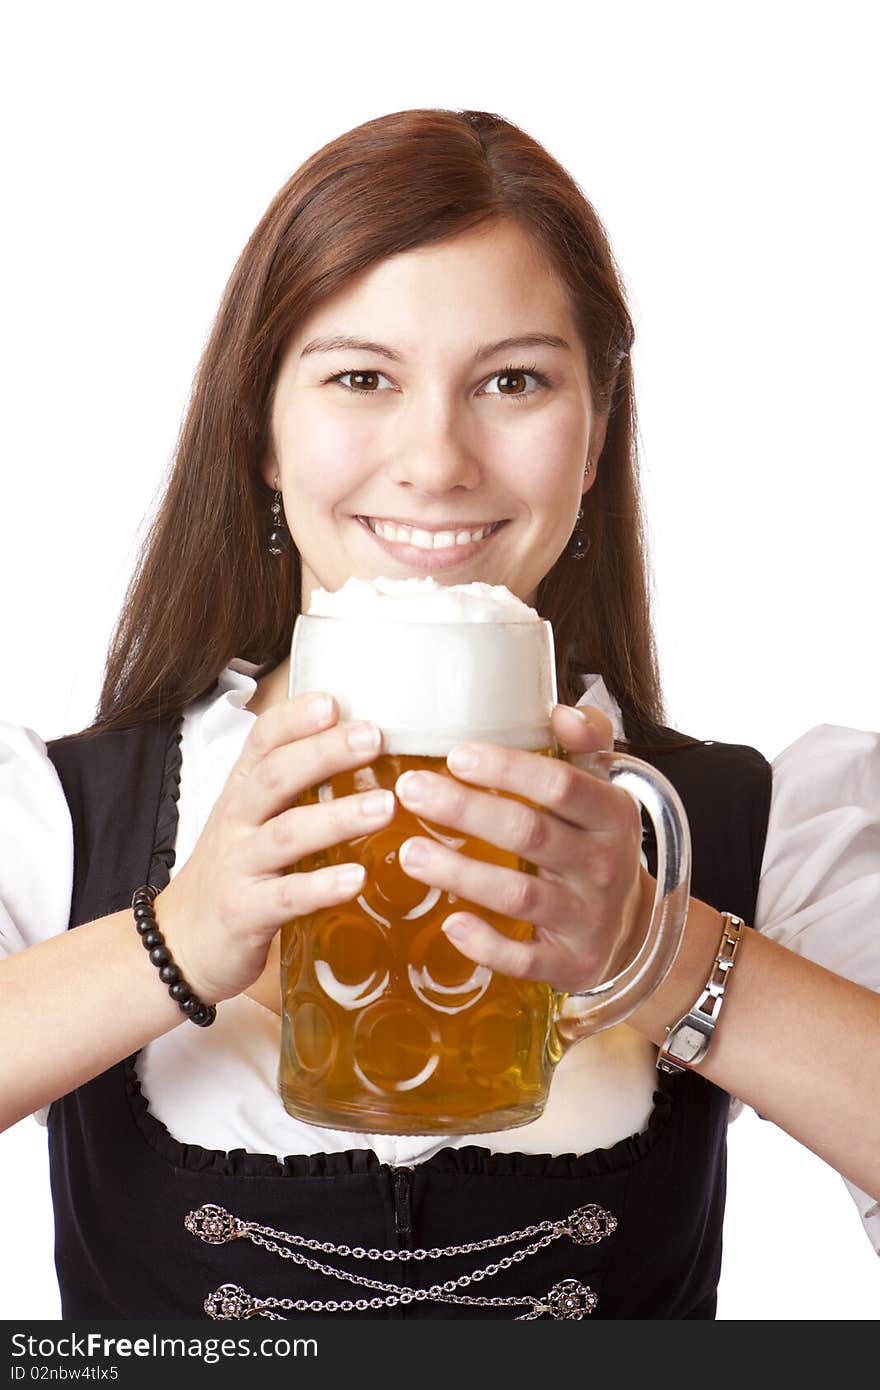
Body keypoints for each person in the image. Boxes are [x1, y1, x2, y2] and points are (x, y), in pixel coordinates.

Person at [1, 107, 878, 1321]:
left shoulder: (752, 823)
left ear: (595, 435)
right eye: (362, 377)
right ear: (260, 425)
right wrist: (177, 941)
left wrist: (653, 952)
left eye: (513, 380)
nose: (436, 459)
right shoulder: (58, 818)